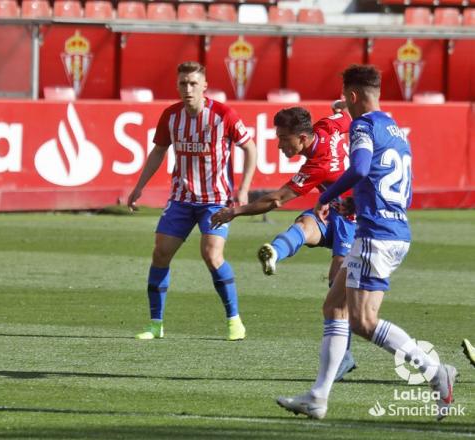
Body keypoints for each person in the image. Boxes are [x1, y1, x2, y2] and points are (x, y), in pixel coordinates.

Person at [276, 64, 458, 420]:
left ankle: (438, 372)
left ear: (353, 96)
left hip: (377, 234)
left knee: (363, 321)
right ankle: (318, 397)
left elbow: (359, 168)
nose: (344, 101)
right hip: (390, 227)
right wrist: (353, 202)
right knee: (334, 307)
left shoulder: (362, 124)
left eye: (346, 95)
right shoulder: (395, 129)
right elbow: (387, 180)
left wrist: (327, 196)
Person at [210, 104, 358, 381]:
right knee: (304, 225)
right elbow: (348, 115)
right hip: (335, 209)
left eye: (282, 138)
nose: (278, 145)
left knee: (337, 284)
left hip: (356, 218)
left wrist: (235, 211)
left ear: (302, 138)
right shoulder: (328, 125)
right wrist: (343, 106)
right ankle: (275, 252)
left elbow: (276, 200)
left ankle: (344, 354)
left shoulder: (319, 164)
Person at [128, 61, 257, 341]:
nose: (188, 89)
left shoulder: (223, 114)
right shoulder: (171, 116)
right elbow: (158, 151)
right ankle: (155, 324)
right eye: (183, 83)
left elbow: (250, 148)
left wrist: (244, 189)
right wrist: (139, 186)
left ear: (204, 86)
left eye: (193, 83)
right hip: (182, 199)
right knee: (160, 253)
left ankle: (234, 320)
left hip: (216, 200)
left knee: (212, 255)